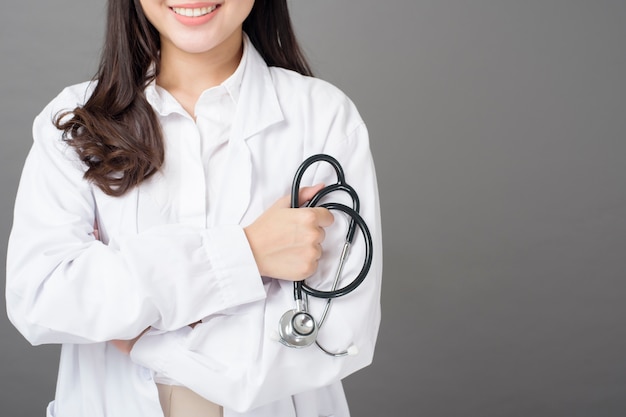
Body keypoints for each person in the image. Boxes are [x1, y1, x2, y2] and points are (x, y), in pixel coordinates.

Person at [6, 0, 382, 416]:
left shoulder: (323, 117)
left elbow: (338, 337)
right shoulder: (74, 120)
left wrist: (145, 338)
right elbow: (43, 299)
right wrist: (247, 252)